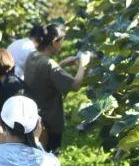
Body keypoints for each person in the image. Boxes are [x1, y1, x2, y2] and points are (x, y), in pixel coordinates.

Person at [23, 24, 89, 153]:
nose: (62, 45)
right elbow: (75, 85)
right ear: (54, 42)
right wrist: (83, 65)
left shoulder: (32, 56)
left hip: (32, 116)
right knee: (49, 155)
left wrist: (62, 64)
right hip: (49, 121)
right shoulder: (49, 64)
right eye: (61, 41)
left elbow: (44, 75)